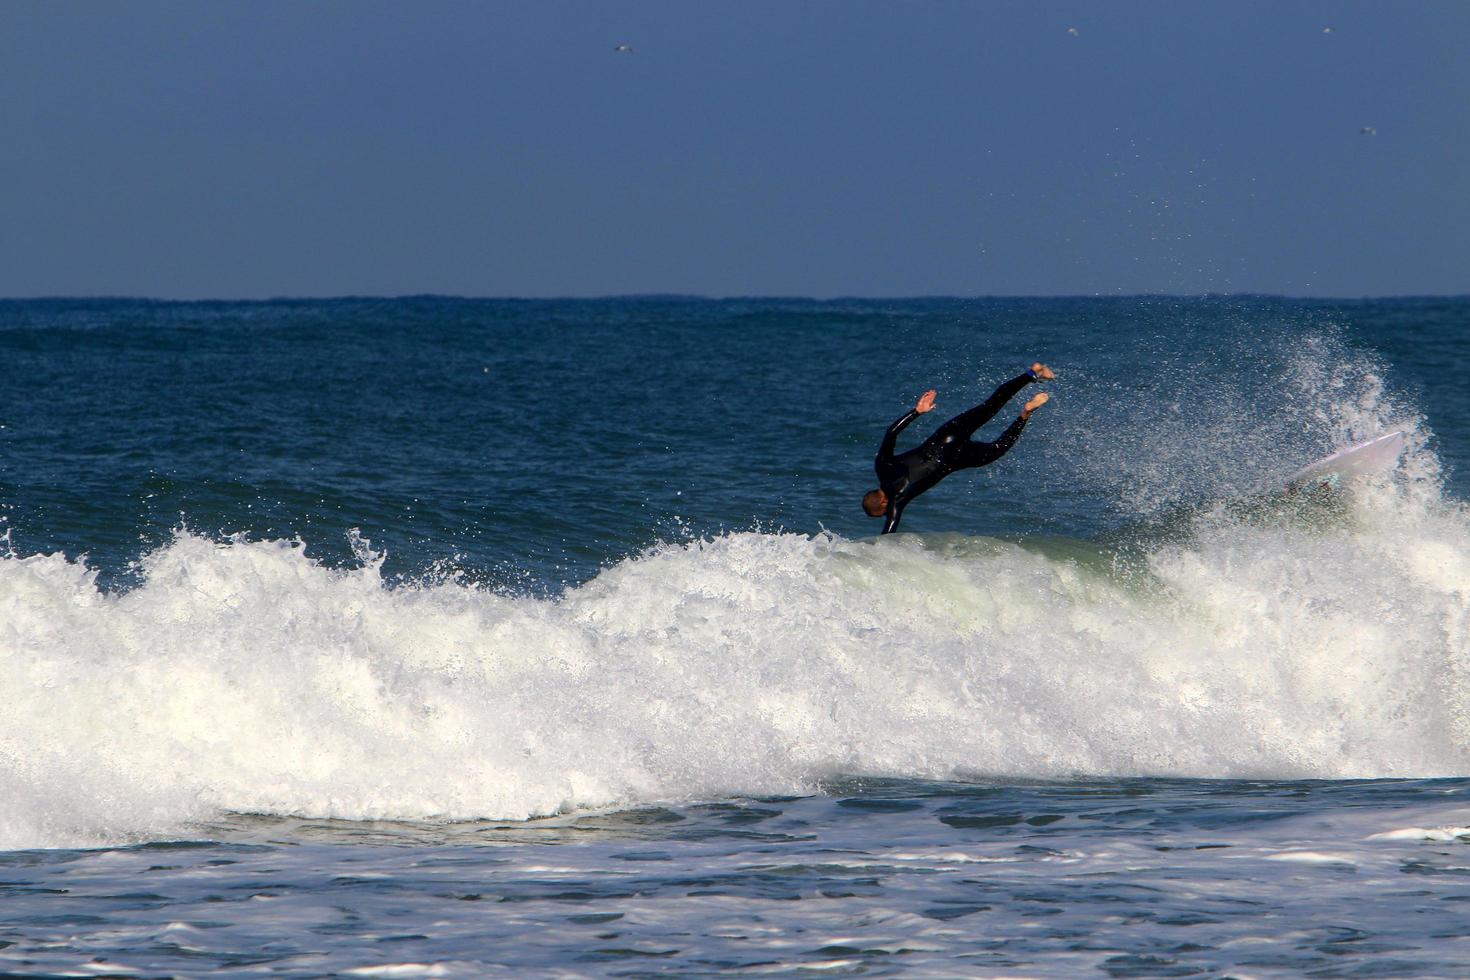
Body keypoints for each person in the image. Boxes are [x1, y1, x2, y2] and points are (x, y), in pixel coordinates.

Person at [863, 363, 1054, 534]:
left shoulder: (897, 500)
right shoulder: (882, 466)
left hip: (955, 458)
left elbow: (888, 535)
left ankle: (1025, 414)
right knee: (991, 405)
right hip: (944, 437)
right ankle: (1032, 373)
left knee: (998, 449)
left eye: (884, 512)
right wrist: (917, 411)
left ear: (883, 502)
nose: (888, 513)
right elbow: (891, 432)